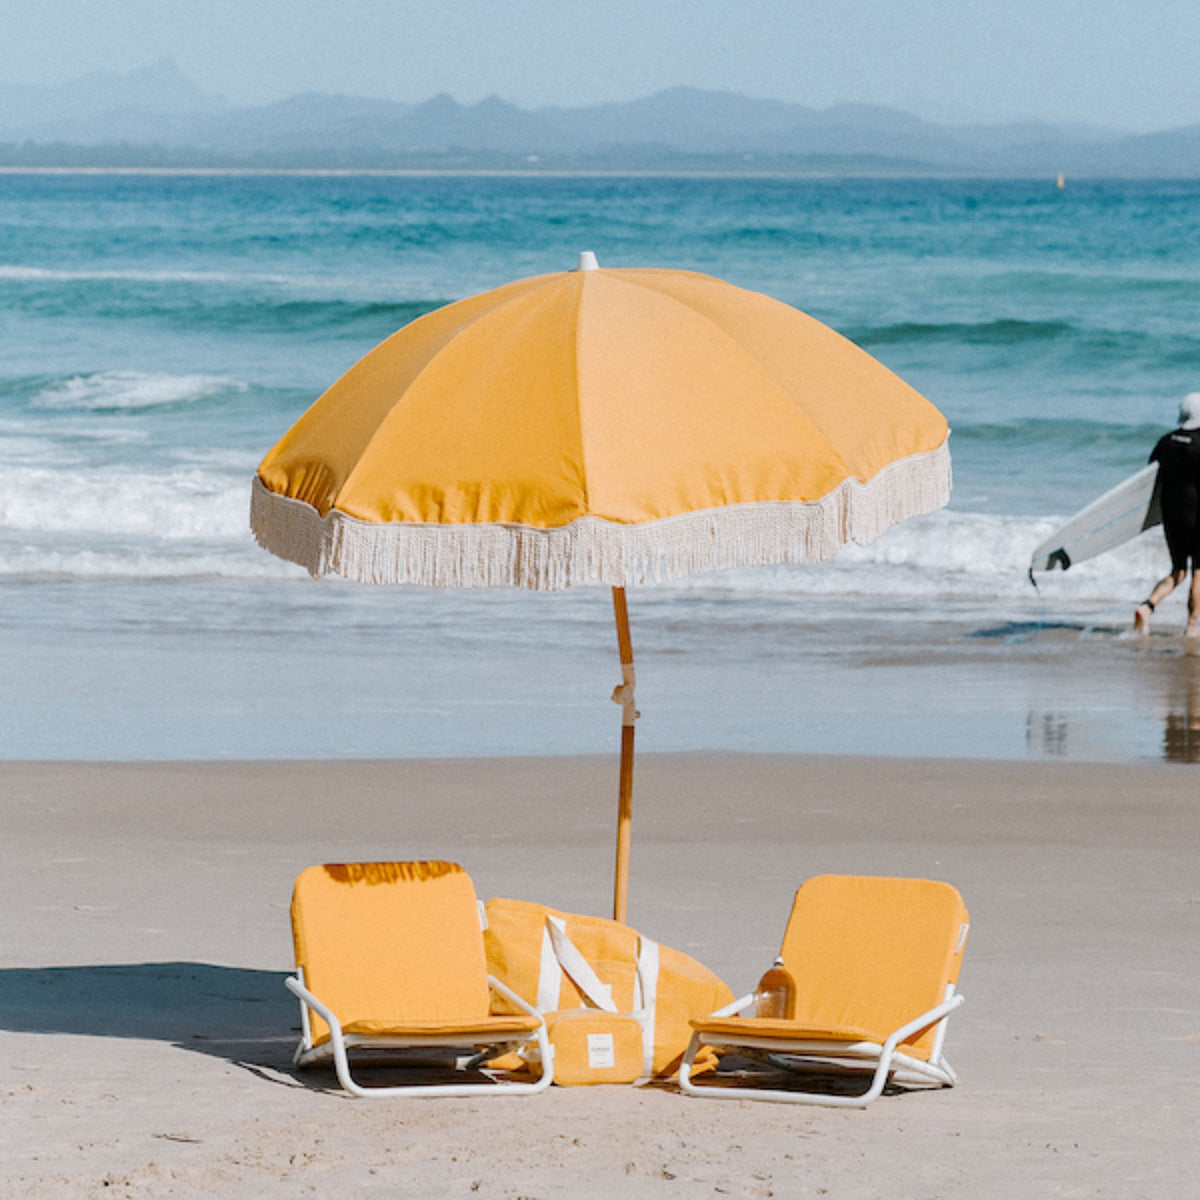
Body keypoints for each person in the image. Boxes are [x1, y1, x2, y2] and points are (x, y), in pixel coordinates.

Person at [1135, 393, 1200, 636]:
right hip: (1198, 516)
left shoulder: (1165, 442)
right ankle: (1192, 626)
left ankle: (1147, 606)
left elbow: (1149, 478)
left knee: (1178, 571)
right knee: (1198, 572)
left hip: (1172, 517)